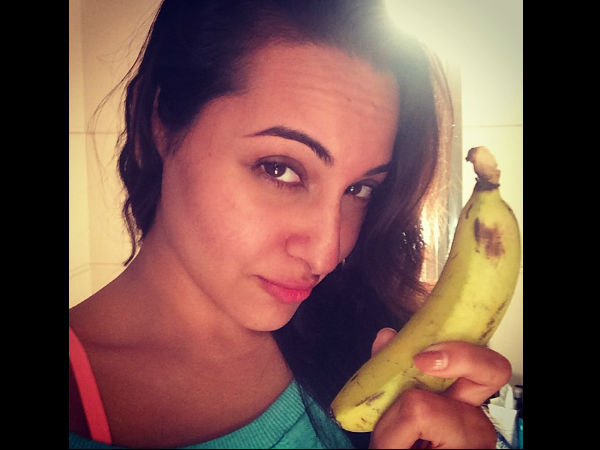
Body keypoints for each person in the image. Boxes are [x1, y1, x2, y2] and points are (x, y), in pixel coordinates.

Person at [69, 0, 511, 448]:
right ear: (160, 123)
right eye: (279, 169)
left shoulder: (379, 351)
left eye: (360, 188)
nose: (326, 253)